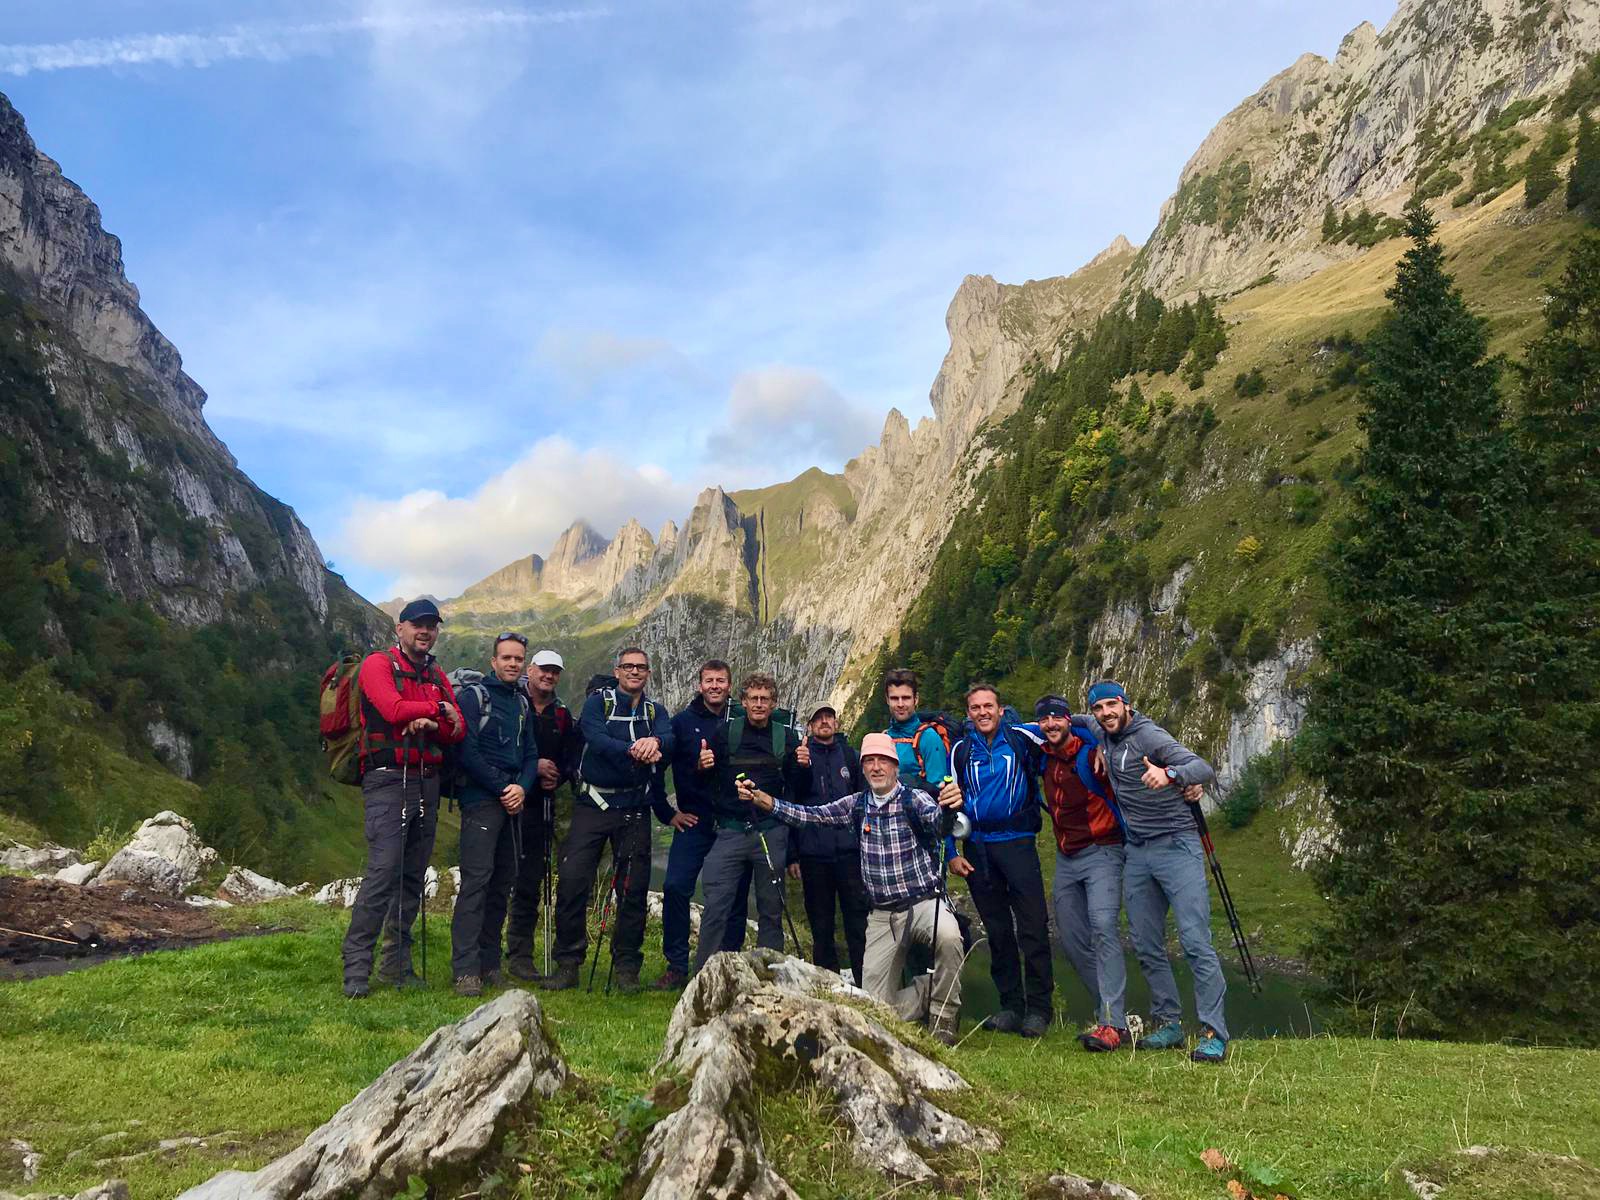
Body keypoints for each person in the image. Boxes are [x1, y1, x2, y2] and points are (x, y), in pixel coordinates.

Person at [749, 732, 967, 1045]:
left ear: (894, 766)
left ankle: (943, 1019)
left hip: (923, 902)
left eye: (883, 761)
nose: (877, 767)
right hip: (882, 914)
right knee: (873, 1012)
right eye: (870, 761)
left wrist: (948, 809)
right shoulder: (856, 805)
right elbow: (812, 816)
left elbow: (938, 824)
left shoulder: (914, 799)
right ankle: (928, 992)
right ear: (863, 768)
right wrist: (766, 802)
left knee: (949, 938)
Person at [1087, 679, 1227, 1063]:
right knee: (1146, 942)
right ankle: (1169, 1023)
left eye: (1111, 705)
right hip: (1137, 851)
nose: (1105, 713)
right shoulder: (1100, 729)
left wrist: (1172, 776)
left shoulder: (1149, 736)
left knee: (1195, 941)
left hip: (1177, 845)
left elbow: (1202, 767)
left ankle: (1214, 1032)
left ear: (1126, 704)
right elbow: (1074, 721)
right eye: (1099, 708)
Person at [341, 597, 464, 998]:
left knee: (412, 874)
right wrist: (437, 709)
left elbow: (458, 729)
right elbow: (393, 710)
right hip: (388, 780)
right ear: (400, 628)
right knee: (383, 871)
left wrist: (433, 718)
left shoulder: (436, 673)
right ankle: (356, 968)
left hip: (427, 781)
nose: (425, 631)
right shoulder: (378, 665)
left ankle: (397, 965)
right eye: (417, 624)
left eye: (431, 625)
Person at [544, 647, 675, 993]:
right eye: (628, 666)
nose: (634, 671)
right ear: (617, 671)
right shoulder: (597, 704)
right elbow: (596, 738)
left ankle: (626, 967)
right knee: (573, 880)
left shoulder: (655, 711)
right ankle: (568, 963)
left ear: (648, 673)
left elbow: (670, 738)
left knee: (633, 889)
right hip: (593, 805)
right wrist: (634, 750)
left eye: (641, 667)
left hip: (635, 806)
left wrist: (656, 741)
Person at [942, 683, 1054, 1038]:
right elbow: (948, 802)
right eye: (975, 708)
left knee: (1033, 925)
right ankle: (1011, 1006)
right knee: (998, 930)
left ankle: (1039, 1009)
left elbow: (1065, 731)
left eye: (988, 706)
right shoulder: (961, 750)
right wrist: (951, 852)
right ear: (969, 713)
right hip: (979, 849)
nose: (983, 713)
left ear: (1000, 709)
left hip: (1018, 843)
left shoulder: (1022, 737)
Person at [691, 672, 811, 975]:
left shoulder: (786, 738)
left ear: (773, 704)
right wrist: (702, 766)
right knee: (717, 905)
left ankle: (768, 975)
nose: (759, 704)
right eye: (753, 698)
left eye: (764, 699)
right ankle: (704, 977)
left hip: (771, 830)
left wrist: (803, 766)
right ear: (743, 702)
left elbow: (796, 788)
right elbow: (706, 780)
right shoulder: (725, 734)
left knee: (771, 908)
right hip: (731, 829)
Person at [1035, 694, 1128, 1051]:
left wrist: (1099, 741)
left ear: (1069, 720)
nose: (1051, 724)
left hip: (1103, 850)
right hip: (1066, 857)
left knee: (1103, 928)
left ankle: (1112, 1023)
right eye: (1044, 720)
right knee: (1073, 939)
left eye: (1057, 718)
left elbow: (1122, 747)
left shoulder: (1091, 754)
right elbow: (1009, 726)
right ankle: (1110, 1015)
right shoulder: (1042, 755)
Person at [449, 633, 540, 997]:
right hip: (481, 801)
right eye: (506, 658)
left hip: (512, 802)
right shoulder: (474, 698)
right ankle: (465, 970)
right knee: (476, 883)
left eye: (518, 659)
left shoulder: (521, 702)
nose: (513, 664)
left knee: (502, 883)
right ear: (493, 661)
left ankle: (490, 965)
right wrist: (505, 788)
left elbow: (530, 753)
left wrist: (523, 788)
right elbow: (466, 752)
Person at [655, 659, 750, 990]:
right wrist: (667, 813)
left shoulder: (741, 719)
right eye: (709, 680)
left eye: (720, 681)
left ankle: (727, 963)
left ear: (729, 685)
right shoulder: (682, 723)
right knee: (675, 886)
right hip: (694, 820)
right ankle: (677, 965)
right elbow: (657, 768)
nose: (715, 686)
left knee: (735, 895)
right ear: (700, 685)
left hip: (732, 821)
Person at [505, 648, 580, 982]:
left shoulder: (561, 714)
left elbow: (570, 757)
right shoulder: (512, 702)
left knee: (530, 879)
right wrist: (532, 767)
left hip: (540, 806)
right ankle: (486, 952)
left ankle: (520, 956)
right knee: (498, 877)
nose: (549, 676)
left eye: (555, 672)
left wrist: (557, 776)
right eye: (544, 670)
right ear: (531, 670)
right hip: (505, 799)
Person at [792, 703, 869, 984]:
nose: (824, 722)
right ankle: (828, 983)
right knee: (821, 924)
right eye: (818, 718)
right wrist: (792, 855)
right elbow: (792, 804)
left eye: (829, 717)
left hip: (850, 853)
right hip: (813, 854)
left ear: (836, 723)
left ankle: (866, 982)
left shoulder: (850, 756)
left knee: (858, 921)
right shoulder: (799, 758)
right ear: (810, 725)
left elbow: (864, 802)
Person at [883, 668, 950, 794]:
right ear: (887, 700)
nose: (900, 704)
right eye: (894, 698)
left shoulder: (929, 738)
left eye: (906, 698)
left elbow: (937, 791)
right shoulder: (884, 738)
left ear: (916, 699)